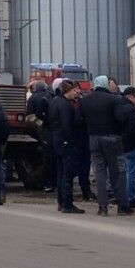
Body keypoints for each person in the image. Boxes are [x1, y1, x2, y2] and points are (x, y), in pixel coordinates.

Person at [79, 75, 133, 216]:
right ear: (105, 85)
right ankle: (123, 206)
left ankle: (102, 207)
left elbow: (79, 121)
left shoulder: (85, 100)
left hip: (94, 139)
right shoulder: (114, 99)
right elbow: (121, 119)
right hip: (112, 138)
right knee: (118, 172)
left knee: (100, 172)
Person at [51, 80, 85, 213]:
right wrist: (72, 141)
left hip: (56, 139)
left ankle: (61, 201)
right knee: (67, 173)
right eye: (73, 91)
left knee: (60, 171)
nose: (75, 93)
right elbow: (67, 126)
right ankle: (67, 203)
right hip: (66, 141)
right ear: (67, 91)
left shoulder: (54, 101)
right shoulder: (66, 105)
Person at [28, 80, 55, 192]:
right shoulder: (50, 97)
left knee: (47, 157)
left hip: (39, 128)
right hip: (50, 130)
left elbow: (30, 113)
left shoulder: (32, 98)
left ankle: (45, 182)